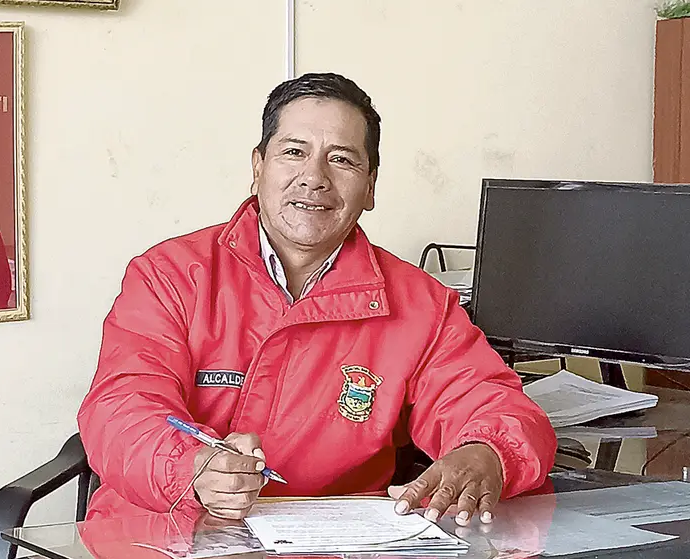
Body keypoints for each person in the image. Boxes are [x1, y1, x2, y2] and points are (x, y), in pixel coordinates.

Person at [77, 72, 557, 527]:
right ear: (257, 167)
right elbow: (121, 407)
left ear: (369, 187)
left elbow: (490, 403)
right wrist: (191, 466)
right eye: (293, 152)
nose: (314, 177)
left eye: (342, 159)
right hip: (160, 539)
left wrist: (487, 452)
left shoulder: (422, 304)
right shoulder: (170, 275)